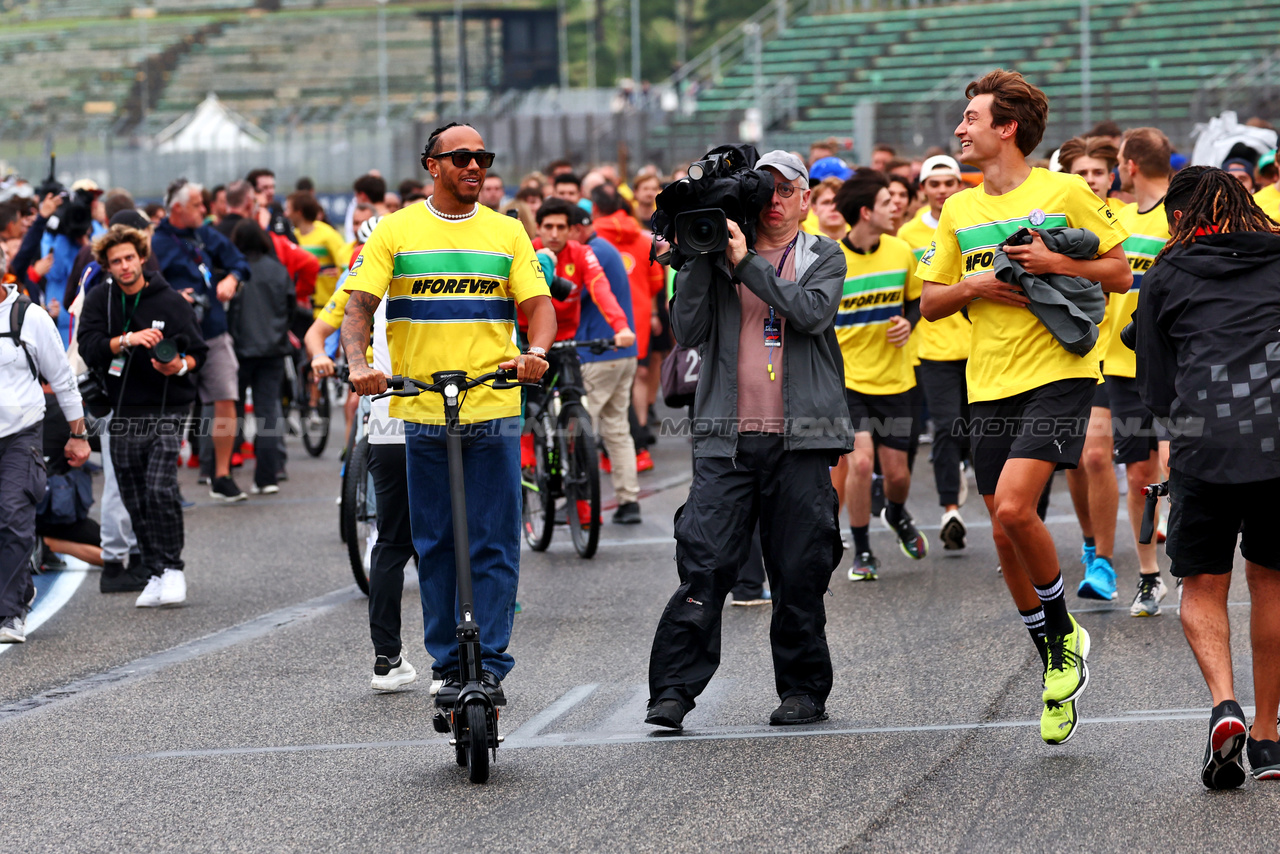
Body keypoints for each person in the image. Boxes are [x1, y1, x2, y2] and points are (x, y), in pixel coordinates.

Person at [919, 69, 1132, 745]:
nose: (960, 130)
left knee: (1015, 507)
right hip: (989, 383)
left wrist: (1055, 266)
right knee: (1004, 528)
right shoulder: (958, 211)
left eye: (972, 119)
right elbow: (930, 302)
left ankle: (1064, 632)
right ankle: (1053, 662)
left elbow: (1120, 271)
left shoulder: (1064, 190)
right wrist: (978, 282)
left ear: (1006, 128)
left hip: (1062, 370)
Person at [343, 122, 556, 702]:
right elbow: (358, 307)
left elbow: (538, 305)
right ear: (431, 164)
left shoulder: (508, 232)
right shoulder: (396, 230)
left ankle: (487, 663)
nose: (474, 166)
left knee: (493, 542)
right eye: (460, 157)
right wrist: (360, 363)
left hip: (494, 406)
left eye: (482, 157)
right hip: (422, 409)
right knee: (433, 542)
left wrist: (535, 352)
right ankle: (445, 664)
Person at [645, 150, 851, 731]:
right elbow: (688, 332)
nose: (777, 199)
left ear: (806, 197)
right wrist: (694, 261)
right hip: (724, 438)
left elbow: (811, 313)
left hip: (802, 438)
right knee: (705, 565)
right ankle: (672, 695)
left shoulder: (822, 254)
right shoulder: (714, 252)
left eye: (788, 189)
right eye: (768, 189)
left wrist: (744, 262)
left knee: (799, 569)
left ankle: (804, 691)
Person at [1134, 165, 1280, 787]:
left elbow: (1156, 388)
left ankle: (1226, 705)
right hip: (1277, 444)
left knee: (1201, 584)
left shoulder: (1165, 276)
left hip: (1203, 443)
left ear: (1178, 217)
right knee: (1271, 582)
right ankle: (1271, 739)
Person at [78, 225, 209, 608]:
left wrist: (180, 366)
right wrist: (126, 340)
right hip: (121, 409)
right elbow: (89, 347)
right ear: (107, 265)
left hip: (169, 407)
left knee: (159, 487)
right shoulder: (100, 300)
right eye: (116, 261)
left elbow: (199, 352)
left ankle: (172, 568)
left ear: (141, 258)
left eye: (129, 258)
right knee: (134, 495)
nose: (124, 267)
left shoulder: (169, 301)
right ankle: (153, 570)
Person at [833, 170, 927, 582]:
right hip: (848, 382)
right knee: (860, 463)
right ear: (867, 211)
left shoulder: (901, 251)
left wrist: (909, 323)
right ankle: (863, 549)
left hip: (896, 379)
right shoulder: (831, 261)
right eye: (889, 202)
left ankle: (896, 511)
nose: (898, 207)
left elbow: (916, 301)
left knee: (899, 475)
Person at [1103, 127, 1173, 615]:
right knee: (1138, 474)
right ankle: (1150, 576)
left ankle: (1194, 564)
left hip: (1175, 366)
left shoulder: (1183, 213)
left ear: (1129, 165)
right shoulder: (1119, 219)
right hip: (1122, 368)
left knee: (1179, 465)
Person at [1054, 135, 1125, 600]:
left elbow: (1123, 276)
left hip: (1128, 354)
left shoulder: (1127, 221)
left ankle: (1103, 562)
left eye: (1096, 172)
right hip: (1077, 351)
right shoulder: (1056, 224)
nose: (1089, 179)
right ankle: (1089, 542)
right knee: (1078, 460)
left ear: (1112, 176)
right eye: (1079, 173)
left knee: (1098, 457)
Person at [0, 270, 89, 643]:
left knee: (12, 514)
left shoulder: (28, 316)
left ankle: (9, 613)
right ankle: (20, 591)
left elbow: (63, 378)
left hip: (20, 435)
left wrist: (78, 434)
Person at [151, 178, 251, 503]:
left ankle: (221, 475)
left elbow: (240, 262)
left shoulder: (206, 234)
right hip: (175, 337)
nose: (205, 210)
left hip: (213, 331)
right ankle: (167, 479)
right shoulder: (156, 244)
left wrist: (232, 280)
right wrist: (173, 297)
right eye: (197, 205)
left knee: (225, 398)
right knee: (173, 408)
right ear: (177, 208)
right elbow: (147, 286)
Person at [897, 155, 970, 549]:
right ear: (923, 189)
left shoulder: (972, 220)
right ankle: (950, 510)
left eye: (949, 182)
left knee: (977, 432)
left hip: (981, 345)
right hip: (935, 347)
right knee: (944, 427)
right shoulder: (907, 233)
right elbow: (909, 293)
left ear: (959, 185)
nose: (942, 189)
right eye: (934, 183)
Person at [570, 198, 642, 524]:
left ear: (578, 228)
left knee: (581, 431)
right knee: (617, 430)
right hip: (623, 352)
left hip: (598, 353)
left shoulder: (592, 252)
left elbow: (569, 294)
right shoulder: (606, 247)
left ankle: (582, 503)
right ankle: (629, 502)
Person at [227, 220, 295, 495]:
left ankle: (221, 471)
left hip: (239, 348)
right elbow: (290, 307)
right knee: (269, 410)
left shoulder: (235, 272)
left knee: (231, 410)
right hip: (274, 348)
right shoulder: (278, 270)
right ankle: (267, 476)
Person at [286, 192, 350, 316]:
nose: (286, 214)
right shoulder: (293, 236)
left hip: (326, 308)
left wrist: (338, 272)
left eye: (288, 209)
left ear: (299, 212)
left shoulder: (328, 235)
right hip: (301, 306)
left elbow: (346, 265)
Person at [245, 168, 295, 244]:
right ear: (252, 192)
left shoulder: (278, 212)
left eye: (272, 187)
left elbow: (293, 245)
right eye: (265, 188)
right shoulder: (245, 218)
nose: (271, 192)